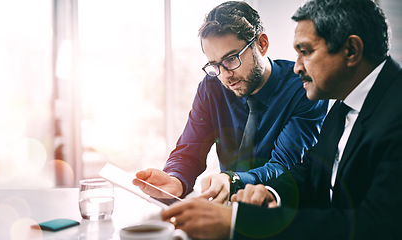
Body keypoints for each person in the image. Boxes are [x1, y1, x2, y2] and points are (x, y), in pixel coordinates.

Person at [160, 0, 402, 239]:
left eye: (305, 52)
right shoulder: (343, 106)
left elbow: (379, 226)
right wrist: (270, 193)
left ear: (350, 50)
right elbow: (310, 171)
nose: (297, 67)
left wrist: (238, 222)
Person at [134, 1, 327, 203]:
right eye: (214, 64)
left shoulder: (303, 88)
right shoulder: (211, 87)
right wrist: (176, 179)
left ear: (262, 44)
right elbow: (190, 150)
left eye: (231, 58)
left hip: (279, 213)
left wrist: (233, 180)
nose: (225, 75)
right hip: (224, 211)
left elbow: (283, 166)